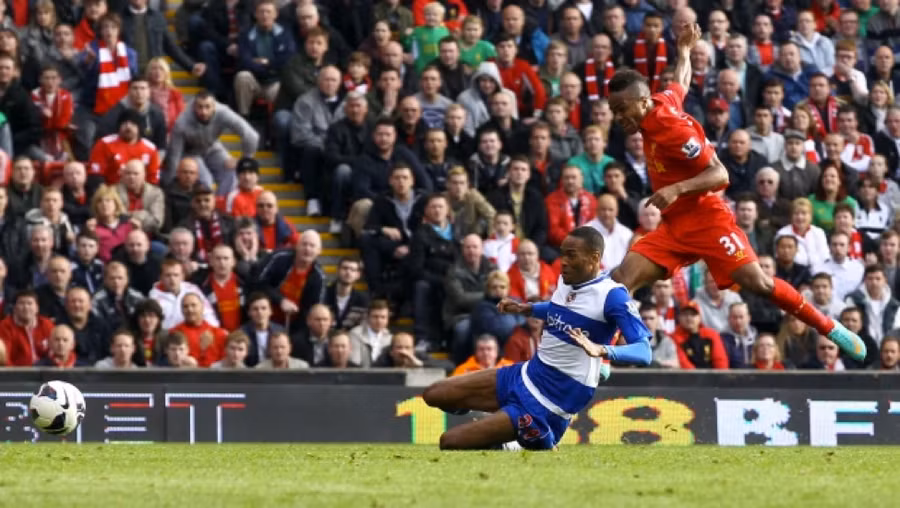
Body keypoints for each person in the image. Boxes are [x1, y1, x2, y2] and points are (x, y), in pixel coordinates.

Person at [606, 21, 866, 363]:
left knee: (760, 283)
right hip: (674, 226)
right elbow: (679, 83)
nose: (617, 117)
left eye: (621, 110)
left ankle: (829, 326)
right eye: (613, 111)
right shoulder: (659, 104)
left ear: (641, 103)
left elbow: (720, 173)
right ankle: (602, 357)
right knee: (619, 279)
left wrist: (677, 188)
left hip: (707, 220)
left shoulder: (674, 129)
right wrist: (684, 50)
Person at [422, 226, 652, 450]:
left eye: (571, 255)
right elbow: (558, 309)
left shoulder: (613, 296)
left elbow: (644, 351)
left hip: (550, 402)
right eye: (562, 254)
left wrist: (602, 350)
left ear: (594, 258)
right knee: (434, 395)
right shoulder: (566, 281)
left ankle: (539, 436)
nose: (563, 261)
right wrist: (527, 308)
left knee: (449, 442)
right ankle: (503, 427)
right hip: (527, 373)